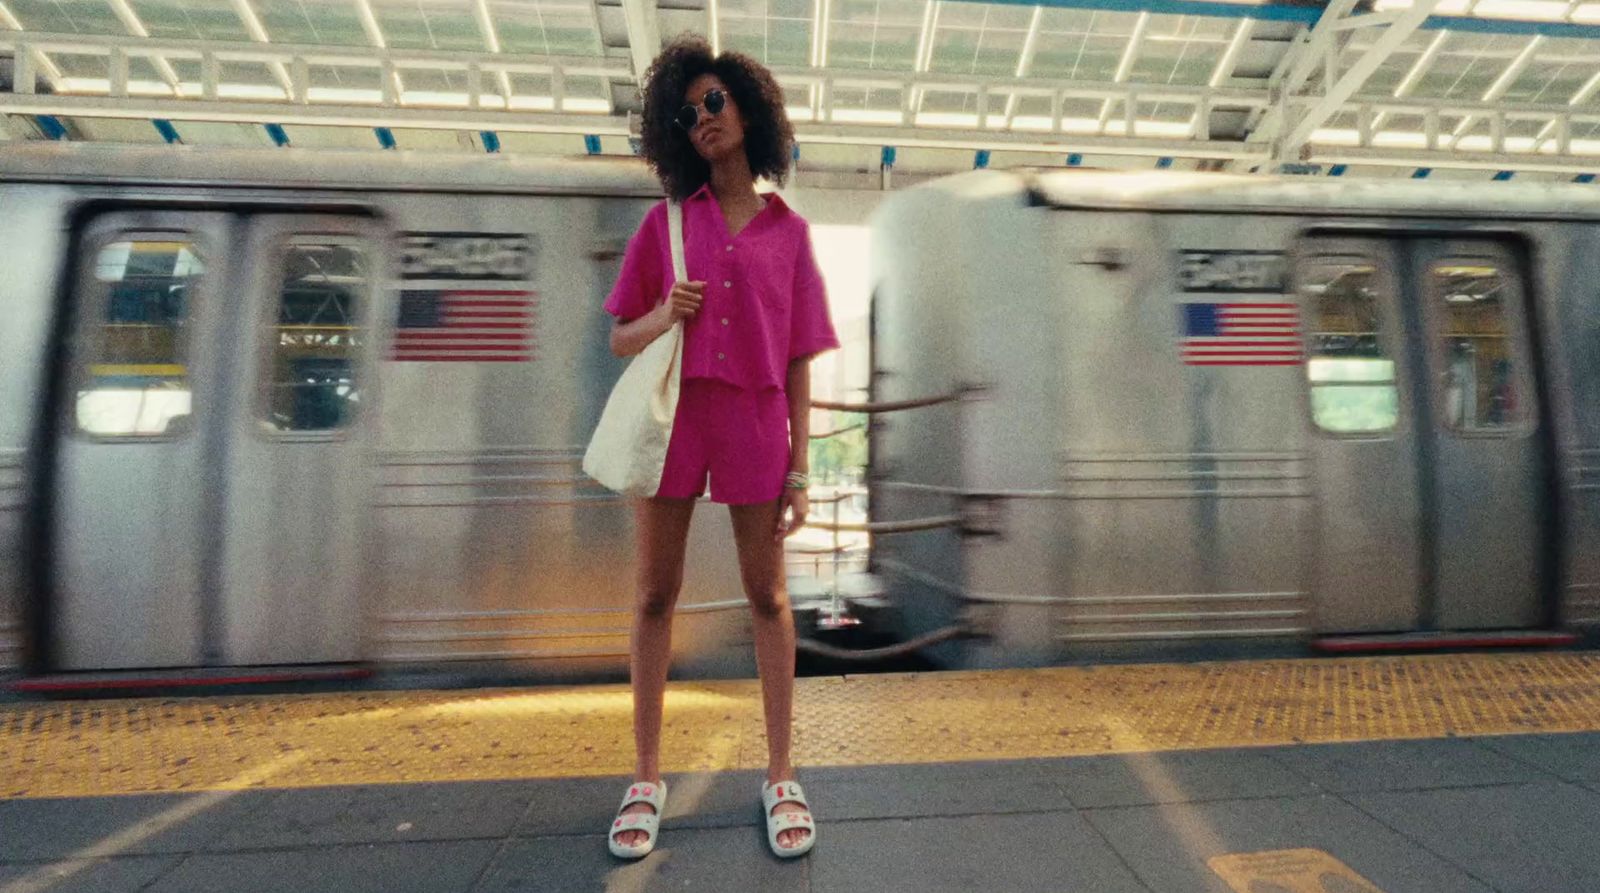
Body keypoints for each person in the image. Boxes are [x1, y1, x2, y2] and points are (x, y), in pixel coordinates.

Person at [600, 35, 839, 860]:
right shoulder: (663, 224)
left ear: (747, 110)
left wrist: (802, 465)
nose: (702, 118)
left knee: (768, 598)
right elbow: (619, 339)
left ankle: (780, 772)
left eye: (715, 102)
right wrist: (666, 312)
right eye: (687, 110)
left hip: (756, 424)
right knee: (654, 597)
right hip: (676, 422)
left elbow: (801, 360)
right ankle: (644, 776)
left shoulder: (791, 233)